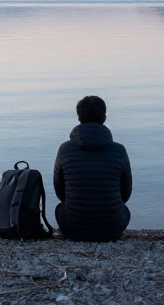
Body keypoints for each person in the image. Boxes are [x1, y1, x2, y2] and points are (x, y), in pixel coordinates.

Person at [52, 95, 132, 241]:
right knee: (124, 209)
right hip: (112, 229)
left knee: (59, 208)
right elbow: (125, 195)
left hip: (73, 228)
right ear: (104, 118)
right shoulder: (119, 150)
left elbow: (60, 193)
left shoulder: (64, 149)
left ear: (79, 117)